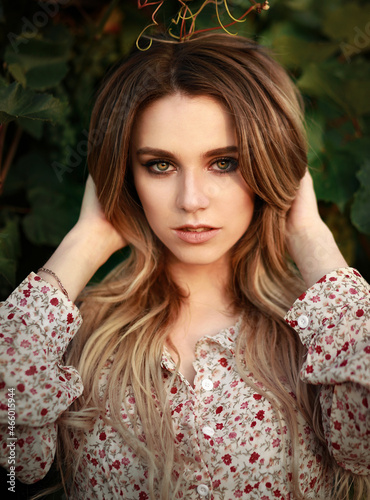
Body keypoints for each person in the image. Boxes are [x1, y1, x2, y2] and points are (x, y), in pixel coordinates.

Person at [0, 33, 369, 500]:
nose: (191, 201)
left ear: (271, 165)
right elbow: (13, 461)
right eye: (160, 166)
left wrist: (312, 241)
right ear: (125, 175)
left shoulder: (321, 342)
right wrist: (85, 241)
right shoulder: (73, 342)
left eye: (225, 162)